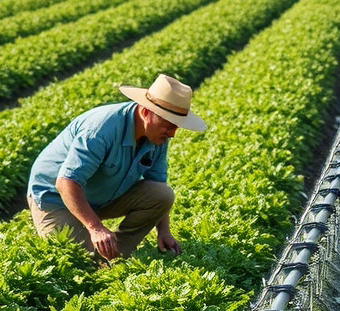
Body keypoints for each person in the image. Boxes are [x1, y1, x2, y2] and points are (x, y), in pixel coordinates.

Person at [27, 74, 207, 262]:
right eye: (169, 126)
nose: (172, 134)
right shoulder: (101, 130)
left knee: (162, 194)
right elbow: (66, 183)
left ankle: (115, 257)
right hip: (57, 198)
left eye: (176, 127)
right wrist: (95, 228)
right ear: (146, 112)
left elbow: (157, 181)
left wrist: (164, 231)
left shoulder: (158, 136)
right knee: (76, 261)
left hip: (101, 196)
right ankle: (97, 251)